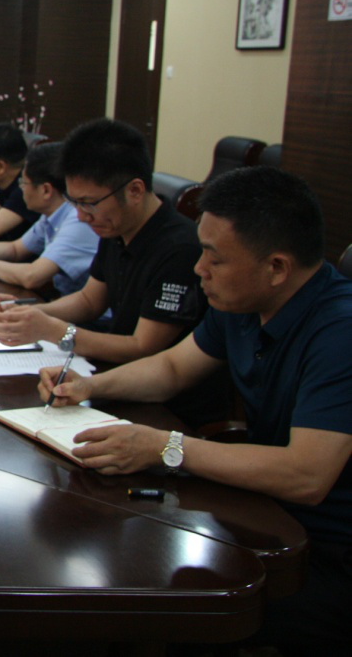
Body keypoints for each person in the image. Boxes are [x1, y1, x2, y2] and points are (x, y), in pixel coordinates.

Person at [38, 166, 352, 655]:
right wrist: (88, 386)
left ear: (276, 267)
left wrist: (167, 447)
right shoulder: (242, 301)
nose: (199, 268)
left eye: (214, 257)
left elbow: (306, 474)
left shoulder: (340, 332)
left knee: (155, 599)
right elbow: (172, 369)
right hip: (265, 512)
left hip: (327, 552)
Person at [0, 118, 225, 425]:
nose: (81, 216)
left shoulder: (180, 249)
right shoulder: (116, 227)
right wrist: (31, 314)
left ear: (135, 190)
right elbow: (89, 300)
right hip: (113, 379)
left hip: (164, 409)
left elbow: (143, 347)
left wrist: (54, 330)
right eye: (75, 203)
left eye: (89, 203)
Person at [0, 142, 99, 297]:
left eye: (23, 183)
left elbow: (32, 276)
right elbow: (15, 249)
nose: (21, 189)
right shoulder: (52, 214)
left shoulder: (78, 220)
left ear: (45, 190)